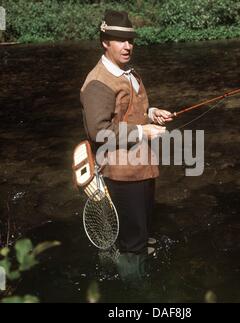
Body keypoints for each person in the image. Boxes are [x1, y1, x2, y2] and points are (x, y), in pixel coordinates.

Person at [80, 10, 172, 283]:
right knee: (134, 241)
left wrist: (151, 112)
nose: (127, 45)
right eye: (119, 40)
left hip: (141, 168)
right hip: (121, 175)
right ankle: (134, 292)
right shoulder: (97, 82)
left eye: (130, 39)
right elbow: (99, 132)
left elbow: (129, 111)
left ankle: (129, 269)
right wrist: (142, 130)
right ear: (104, 41)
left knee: (140, 233)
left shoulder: (127, 72)